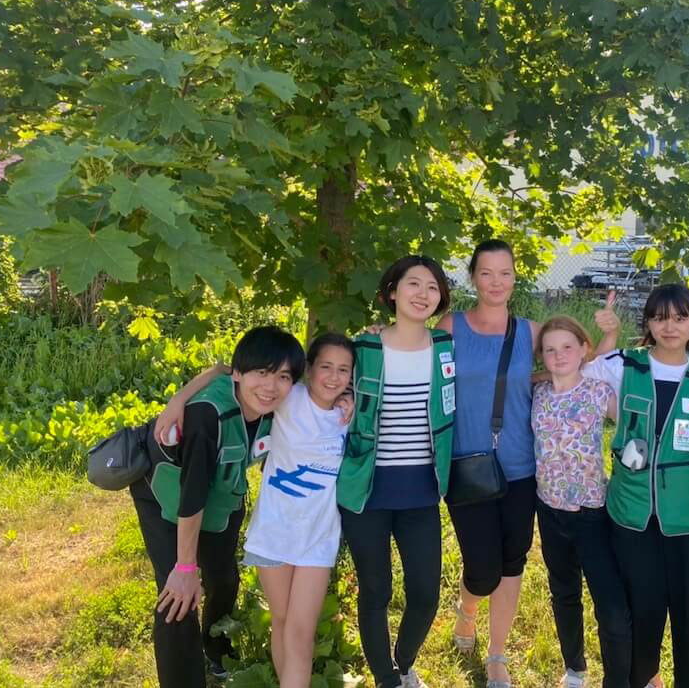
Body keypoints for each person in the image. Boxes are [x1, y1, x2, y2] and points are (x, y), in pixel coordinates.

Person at [155, 333, 354, 688]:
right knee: (282, 622)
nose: (334, 376)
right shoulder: (284, 399)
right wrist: (177, 400)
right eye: (325, 367)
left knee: (300, 633)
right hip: (270, 532)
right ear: (308, 371)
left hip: (318, 538)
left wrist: (350, 394)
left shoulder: (340, 411)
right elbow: (223, 370)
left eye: (344, 370)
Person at [130, 325, 304, 687]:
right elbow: (191, 496)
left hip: (223, 495)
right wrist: (184, 565)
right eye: (261, 372)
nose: (270, 386)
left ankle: (217, 652)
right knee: (177, 595)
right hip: (167, 496)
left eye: (282, 376)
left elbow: (224, 368)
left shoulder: (278, 404)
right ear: (241, 374)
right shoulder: (207, 417)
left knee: (223, 580)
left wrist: (349, 397)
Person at [581, 283, 689, 688]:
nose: (670, 327)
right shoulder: (624, 364)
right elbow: (576, 374)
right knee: (641, 612)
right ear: (647, 322)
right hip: (631, 515)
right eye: (660, 318)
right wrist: (607, 337)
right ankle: (642, 679)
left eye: (680, 317)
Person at [337, 255, 455, 688]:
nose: (423, 294)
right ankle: (386, 678)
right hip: (366, 490)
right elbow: (324, 390)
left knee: (425, 594)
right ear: (392, 292)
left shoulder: (446, 350)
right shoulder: (363, 348)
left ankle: (404, 663)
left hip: (422, 490)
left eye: (432, 287)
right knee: (377, 592)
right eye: (413, 284)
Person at [438, 240, 539, 688]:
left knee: (512, 562)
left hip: (521, 467)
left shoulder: (532, 332)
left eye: (505, 273)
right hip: (467, 465)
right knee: (481, 566)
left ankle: (497, 654)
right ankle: (468, 609)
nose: (496, 282)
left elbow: (580, 362)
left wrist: (609, 336)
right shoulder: (451, 326)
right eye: (487, 273)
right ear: (473, 277)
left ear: (515, 278)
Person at [532, 314, 632, 688]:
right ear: (542, 356)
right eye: (550, 349)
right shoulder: (537, 393)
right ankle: (574, 667)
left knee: (610, 602)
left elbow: (634, 424)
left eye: (568, 347)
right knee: (564, 591)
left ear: (584, 351)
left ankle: (619, 678)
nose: (559, 356)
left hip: (592, 511)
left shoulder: (597, 391)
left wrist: (611, 334)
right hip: (549, 508)